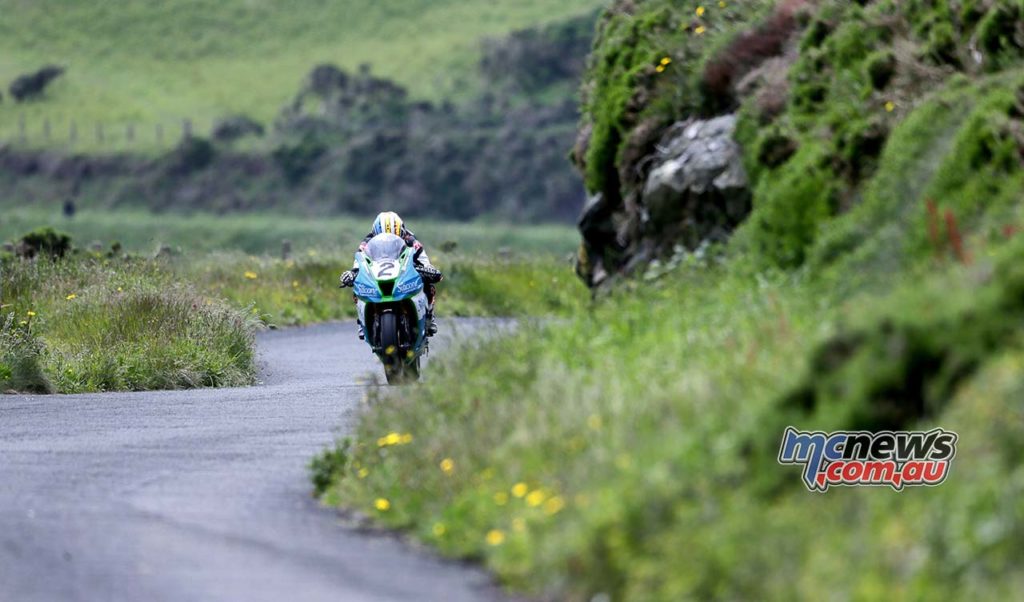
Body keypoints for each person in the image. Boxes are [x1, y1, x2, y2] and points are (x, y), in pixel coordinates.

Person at [340, 212, 442, 339]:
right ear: (375, 233)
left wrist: (429, 270)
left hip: (405, 270)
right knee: (357, 285)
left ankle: (429, 317)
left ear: (402, 232)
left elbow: (424, 261)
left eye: (395, 236)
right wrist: (352, 273)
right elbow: (359, 263)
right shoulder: (366, 243)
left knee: (429, 283)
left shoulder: (411, 240)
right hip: (378, 272)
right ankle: (362, 323)